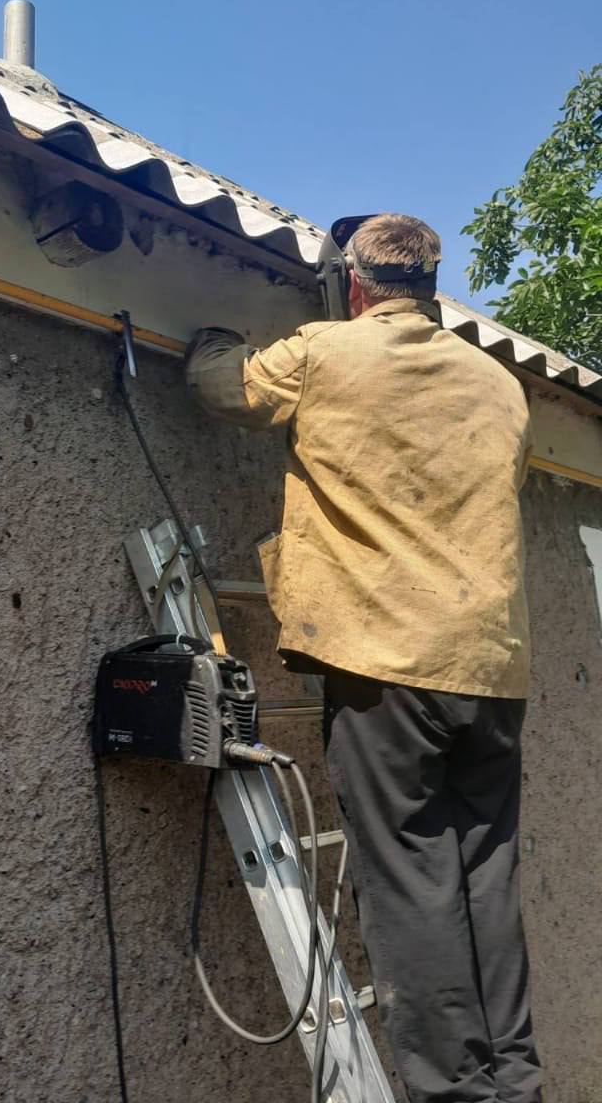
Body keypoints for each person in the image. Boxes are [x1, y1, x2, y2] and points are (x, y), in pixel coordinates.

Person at [185, 213, 541, 1103]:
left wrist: (211, 343)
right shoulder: (498, 385)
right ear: (429, 284)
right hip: (492, 671)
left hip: (387, 668)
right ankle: (515, 1083)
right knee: (485, 878)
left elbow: (229, 392)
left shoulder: (325, 351)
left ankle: (453, 1094)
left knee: (413, 879)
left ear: (354, 286)